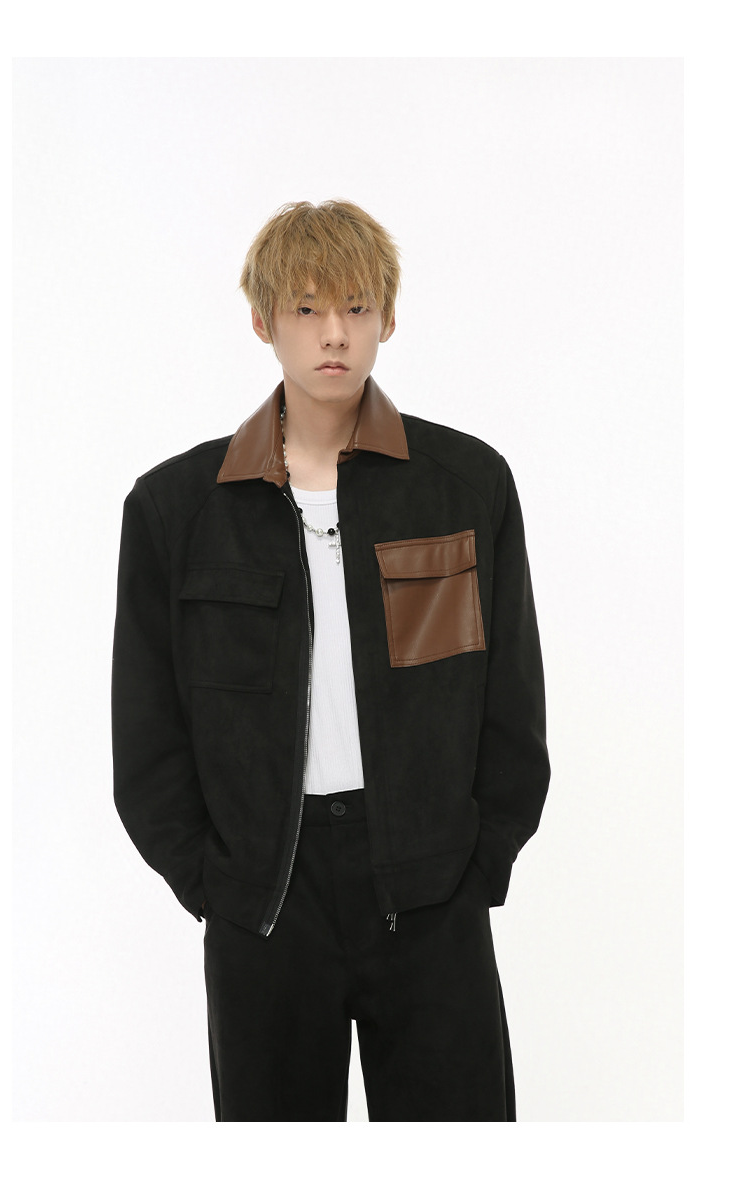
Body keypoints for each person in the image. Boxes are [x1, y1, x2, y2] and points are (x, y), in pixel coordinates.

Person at [112, 198, 550, 1121]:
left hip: (431, 889)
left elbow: (512, 702)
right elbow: (147, 732)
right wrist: (217, 883)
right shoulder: (176, 509)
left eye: (356, 306)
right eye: (306, 308)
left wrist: (478, 863)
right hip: (266, 904)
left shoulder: (466, 486)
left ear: (388, 317)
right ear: (262, 321)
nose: (334, 334)